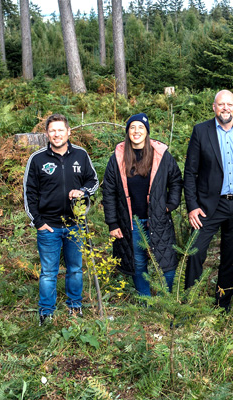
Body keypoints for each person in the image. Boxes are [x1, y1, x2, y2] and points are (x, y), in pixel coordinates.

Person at [183, 90, 233, 310]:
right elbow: (190, 172)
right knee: (195, 251)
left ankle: (223, 305)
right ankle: (190, 304)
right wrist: (192, 206)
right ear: (214, 107)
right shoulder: (201, 131)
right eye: (221, 104)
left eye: (229, 104)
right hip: (208, 207)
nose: (225, 108)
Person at [23, 113, 99, 326]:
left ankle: (75, 306)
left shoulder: (81, 155)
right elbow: (29, 193)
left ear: (69, 132)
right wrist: (38, 222)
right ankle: (46, 312)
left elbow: (93, 180)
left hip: (75, 225)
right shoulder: (37, 159)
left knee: (75, 268)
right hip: (48, 227)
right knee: (48, 272)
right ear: (47, 134)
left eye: (60, 130)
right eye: (52, 130)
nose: (56, 134)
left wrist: (83, 191)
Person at [102, 113, 183, 296]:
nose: (136, 131)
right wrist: (113, 223)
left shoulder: (161, 155)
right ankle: (145, 301)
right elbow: (109, 191)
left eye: (140, 127)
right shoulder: (117, 158)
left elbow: (176, 180)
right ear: (127, 131)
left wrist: (171, 204)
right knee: (138, 262)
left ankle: (166, 299)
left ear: (147, 131)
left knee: (167, 261)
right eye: (132, 127)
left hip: (158, 217)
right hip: (132, 221)